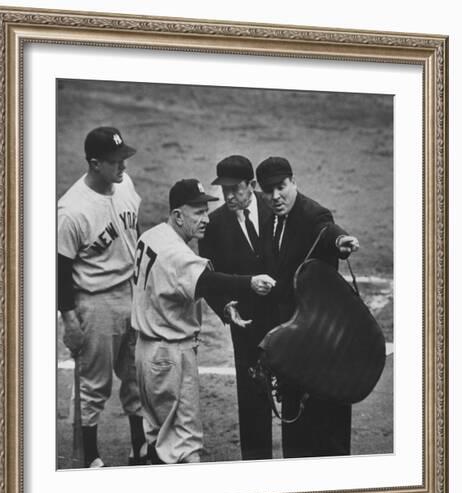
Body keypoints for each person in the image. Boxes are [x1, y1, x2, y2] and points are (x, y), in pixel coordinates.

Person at [131, 178, 275, 464]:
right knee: (185, 445)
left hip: (145, 353)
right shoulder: (178, 254)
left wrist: (224, 309)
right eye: (197, 212)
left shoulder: (153, 235)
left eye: (206, 211)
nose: (206, 219)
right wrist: (250, 282)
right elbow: (210, 281)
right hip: (170, 356)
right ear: (177, 216)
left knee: (160, 437)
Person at [256, 156, 360, 458]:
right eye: (268, 190)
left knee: (328, 431)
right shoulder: (273, 216)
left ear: (293, 182)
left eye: (281, 187)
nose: (275, 196)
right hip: (295, 345)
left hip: (323, 348)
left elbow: (328, 230)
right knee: (297, 433)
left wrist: (341, 241)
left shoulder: (311, 213)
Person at [57, 126, 146, 468]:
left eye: (124, 158)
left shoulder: (124, 184)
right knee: (95, 385)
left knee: (136, 375)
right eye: (115, 161)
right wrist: (69, 321)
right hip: (94, 302)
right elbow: (59, 270)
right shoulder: (71, 211)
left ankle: (139, 447)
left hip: (130, 291)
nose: (123, 166)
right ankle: (91, 457)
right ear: (95, 164)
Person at [198, 155, 275, 461]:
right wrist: (226, 308)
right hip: (246, 322)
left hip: (286, 318)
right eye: (224, 189)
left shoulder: (275, 207)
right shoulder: (215, 224)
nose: (229, 196)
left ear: (252, 185)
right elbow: (211, 278)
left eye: (236, 188)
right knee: (252, 397)